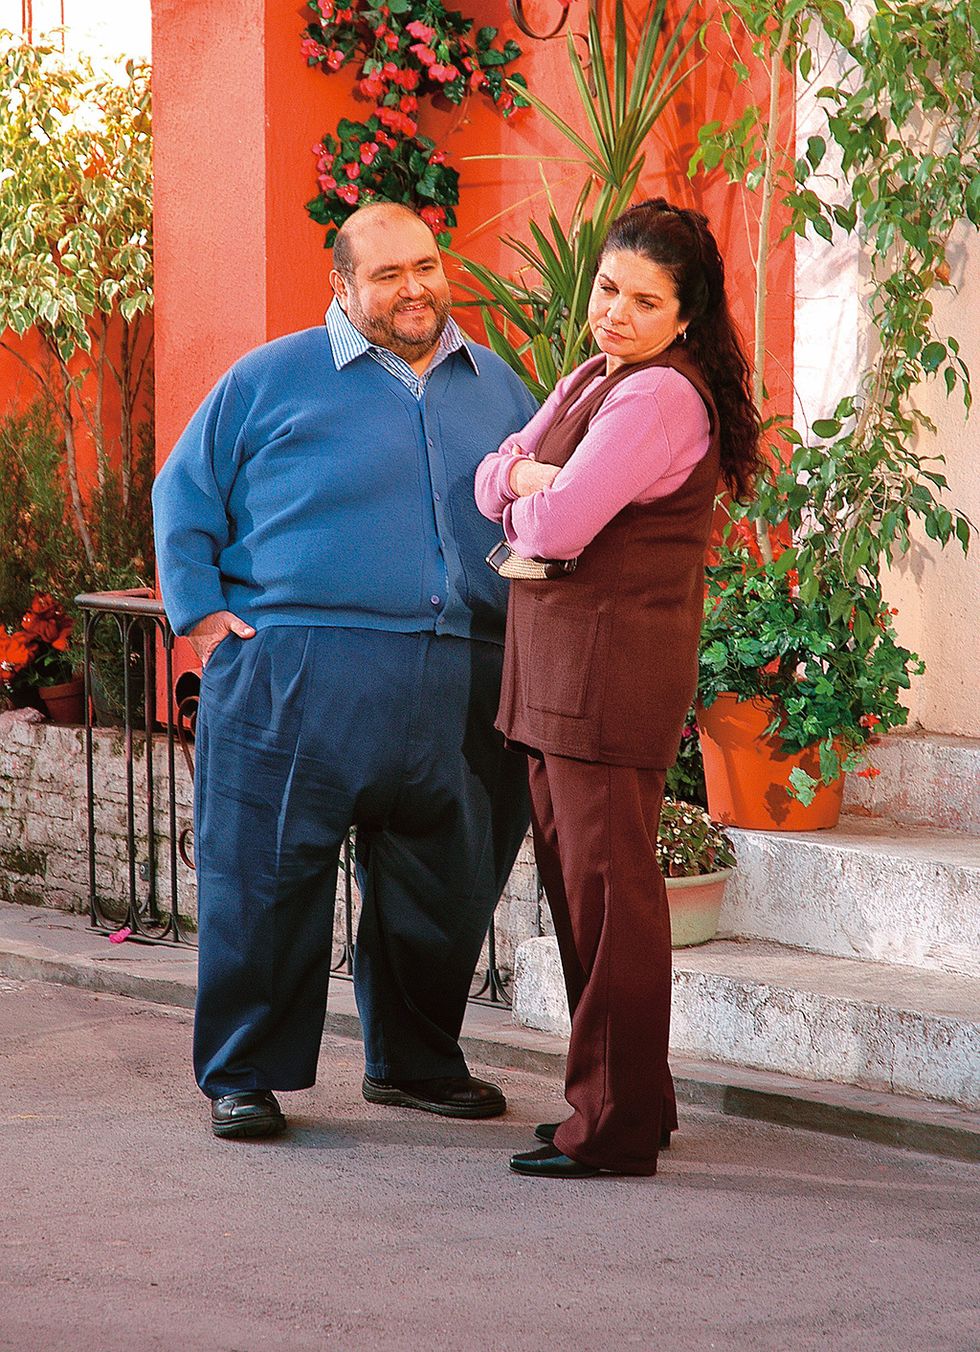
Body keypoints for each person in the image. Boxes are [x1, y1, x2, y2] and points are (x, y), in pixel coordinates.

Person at [153, 201, 539, 1140]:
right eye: (388, 275)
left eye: (427, 266)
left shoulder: (499, 386)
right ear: (342, 286)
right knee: (267, 882)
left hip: (463, 675)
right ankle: (245, 1073)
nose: (416, 288)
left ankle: (412, 1063)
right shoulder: (270, 377)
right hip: (295, 673)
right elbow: (185, 490)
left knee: (447, 886)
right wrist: (201, 612)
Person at [475, 198, 762, 1178]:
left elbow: (551, 527)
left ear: (685, 316)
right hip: (564, 678)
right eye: (607, 287)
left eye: (644, 301)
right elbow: (492, 477)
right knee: (587, 898)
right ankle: (620, 1101)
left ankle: (613, 1125)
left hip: (602, 680)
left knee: (609, 901)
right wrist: (526, 478)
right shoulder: (598, 376)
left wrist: (527, 484)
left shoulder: (652, 398)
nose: (614, 312)